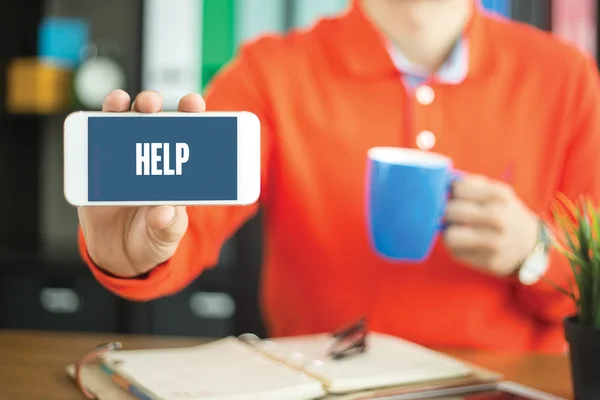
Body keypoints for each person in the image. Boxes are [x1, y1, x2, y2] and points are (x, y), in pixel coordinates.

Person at [77, 0, 600, 353]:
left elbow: (591, 284)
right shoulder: (269, 73)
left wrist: (535, 252)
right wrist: (135, 254)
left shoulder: (568, 79)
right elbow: (188, 223)